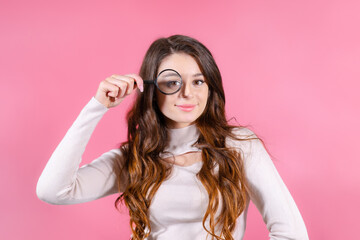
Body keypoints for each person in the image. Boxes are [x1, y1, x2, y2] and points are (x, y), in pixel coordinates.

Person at [36, 35, 309, 240]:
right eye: (172, 82)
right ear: (152, 90)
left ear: (210, 87)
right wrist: (96, 107)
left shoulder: (239, 146)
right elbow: (52, 190)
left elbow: (291, 231)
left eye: (198, 81)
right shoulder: (133, 159)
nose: (187, 93)